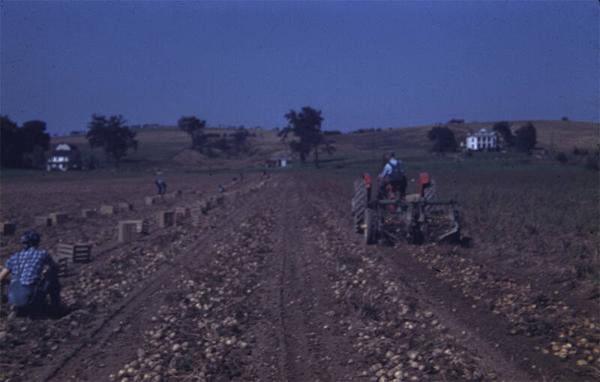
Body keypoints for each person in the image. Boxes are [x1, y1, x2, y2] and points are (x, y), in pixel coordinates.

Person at [0, 230, 62, 316]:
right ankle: (56, 309)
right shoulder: (42, 254)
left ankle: (14, 307)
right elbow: (55, 267)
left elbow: (1, 277)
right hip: (32, 298)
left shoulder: (14, 257)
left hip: (13, 298)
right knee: (52, 275)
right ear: (37, 242)